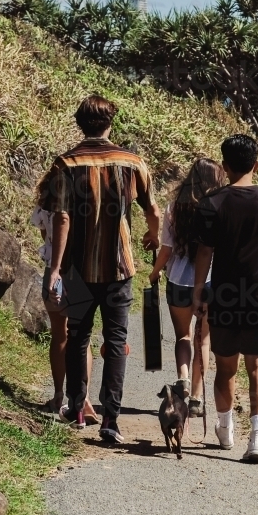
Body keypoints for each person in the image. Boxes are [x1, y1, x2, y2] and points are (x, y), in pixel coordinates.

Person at [40, 95, 160, 444]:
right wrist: (151, 236)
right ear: (111, 124)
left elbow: (61, 217)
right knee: (116, 340)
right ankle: (111, 419)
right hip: (120, 266)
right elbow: (153, 210)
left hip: (78, 267)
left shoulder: (66, 164)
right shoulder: (133, 163)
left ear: (79, 123)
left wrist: (56, 268)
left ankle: (78, 409)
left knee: (78, 338)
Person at [192, 135, 258, 463]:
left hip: (224, 298)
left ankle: (225, 432)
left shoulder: (212, 203)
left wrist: (199, 291)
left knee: (225, 368)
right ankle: (256, 440)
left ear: (223, 166)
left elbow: (205, 251)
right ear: (257, 165)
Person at [149, 158, 225, 417]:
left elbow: (167, 249)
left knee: (183, 336)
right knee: (202, 340)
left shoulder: (175, 208)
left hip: (178, 279)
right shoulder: (218, 208)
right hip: (209, 280)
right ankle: (196, 399)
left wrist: (155, 271)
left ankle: (182, 377)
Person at [30, 187, 97, 424]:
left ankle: (59, 396)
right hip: (82, 272)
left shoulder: (47, 200)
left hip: (54, 270)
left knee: (59, 334)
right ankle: (84, 398)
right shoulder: (87, 198)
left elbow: (44, 234)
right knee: (81, 336)